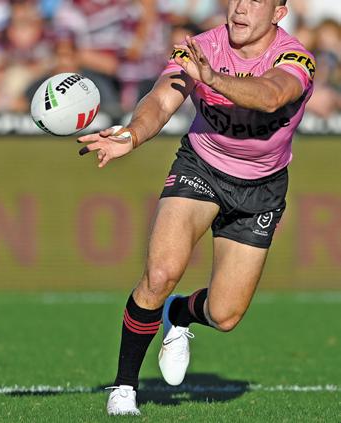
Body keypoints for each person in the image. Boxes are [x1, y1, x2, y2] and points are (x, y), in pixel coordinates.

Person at [78, 0, 315, 416]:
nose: (240, 9)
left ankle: (179, 313)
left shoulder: (295, 58)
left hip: (262, 187)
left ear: (278, 14)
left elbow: (271, 95)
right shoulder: (200, 47)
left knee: (224, 315)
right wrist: (133, 135)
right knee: (160, 273)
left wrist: (213, 78)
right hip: (201, 167)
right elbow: (160, 100)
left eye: (255, 1)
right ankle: (125, 387)